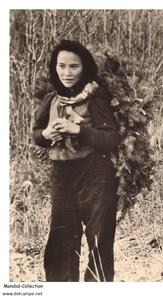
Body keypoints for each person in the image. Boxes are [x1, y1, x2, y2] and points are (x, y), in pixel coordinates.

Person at [32, 39, 121, 281]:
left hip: (96, 175)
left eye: (74, 66)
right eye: (61, 66)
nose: (67, 73)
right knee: (61, 239)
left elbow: (112, 139)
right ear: (54, 67)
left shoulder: (96, 97)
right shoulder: (52, 99)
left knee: (99, 239)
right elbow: (37, 132)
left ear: (85, 68)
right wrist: (47, 134)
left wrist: (78, 130)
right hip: (62, 175)